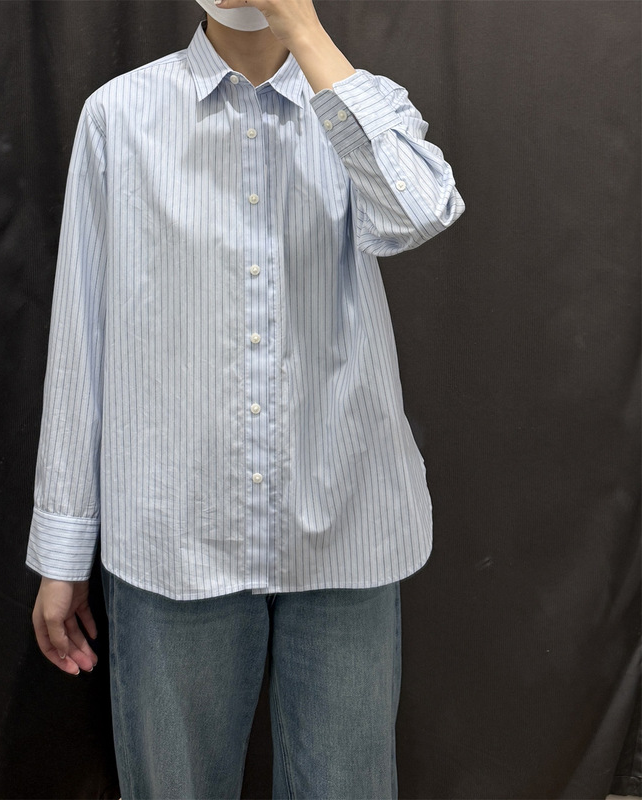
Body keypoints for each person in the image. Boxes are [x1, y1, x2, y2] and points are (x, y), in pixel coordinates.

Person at [26, 0, 464, 797]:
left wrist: (304, 31)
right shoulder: (119, 117)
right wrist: (63, 551)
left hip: (344, 522)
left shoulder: (363, 105)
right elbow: (81, 340)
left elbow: (419, 212)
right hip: (174, 528)